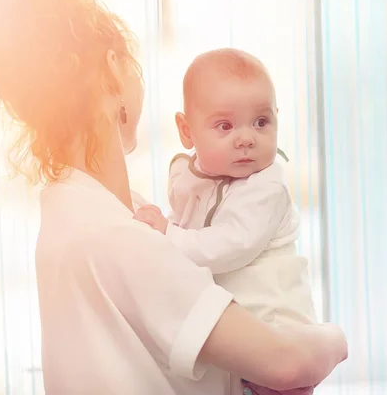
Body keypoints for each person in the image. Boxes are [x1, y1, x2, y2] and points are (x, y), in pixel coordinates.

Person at [0, 0, 347, 394]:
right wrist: (335, 338)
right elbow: (286, 363)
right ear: (113, 67)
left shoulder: (87, 215)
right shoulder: (118, 237)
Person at [133, 48, 318, 395]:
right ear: (187, 131)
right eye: (225, 125)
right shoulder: (197, 175)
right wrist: (162, 228)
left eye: (261, 122)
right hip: (238, 341)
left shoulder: (267, 188)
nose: (246, 138)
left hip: (276, 334)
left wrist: (167, 234)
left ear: (277, 118)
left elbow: (228, 245)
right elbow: (190, 224)